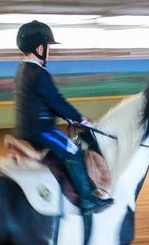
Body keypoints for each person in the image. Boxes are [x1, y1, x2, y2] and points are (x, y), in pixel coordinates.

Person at [14, 20, 113, 214]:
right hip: (42, 131)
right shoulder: (39, 73)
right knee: (74, 151)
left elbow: (43, 102)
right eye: (48, 47)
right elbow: (56, 101)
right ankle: (87, 200)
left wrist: (67, 117)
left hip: (25, 129)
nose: (49, 51)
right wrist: (80, 119)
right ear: (40, 47)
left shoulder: (22, 70)